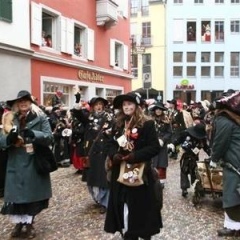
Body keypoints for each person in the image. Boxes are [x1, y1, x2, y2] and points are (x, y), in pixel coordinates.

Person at [104, 92, 163, 240]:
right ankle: (127, 232)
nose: (127, 107)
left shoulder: (147, 124)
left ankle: (141, 232)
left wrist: (135, 156)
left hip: (140, 171)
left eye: (130, 104)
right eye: (124, 105)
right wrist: (114, 155)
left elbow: (154, 147)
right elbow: (110, 143)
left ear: (136, 106)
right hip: (120, 172)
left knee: (139, 207)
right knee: (122, 204)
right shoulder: (117, 124)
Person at [0, 90, 53, 239]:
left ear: (31, 103)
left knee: (31, 195)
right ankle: (19, 224)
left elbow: (49, 137)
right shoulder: (9, 119)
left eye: (26, 100)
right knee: (16, 196)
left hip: (33, 161)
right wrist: (9, 139)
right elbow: (1, 141)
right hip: (15, 162)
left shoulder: (41, 118)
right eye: (20, 101)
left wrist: (34, 135)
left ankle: (29, 224)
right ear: (17, 104)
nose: (23, 103)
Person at [210, 91, 240, 237]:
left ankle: (234, 228)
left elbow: (220, 142)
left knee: (232, 196)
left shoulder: (224, 119)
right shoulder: (233, 118)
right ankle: (233, 226)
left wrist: (214, 158)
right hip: (236, 160)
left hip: (234, 163)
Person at [151, 103, 172, 188]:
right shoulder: (151, 120)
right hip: (153, 144)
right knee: (153, 162)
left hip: (162, 145)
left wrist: (163, 140)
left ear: (162, 111)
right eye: (157, 109)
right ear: (155, 110)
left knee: (162, 163)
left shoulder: (166, 120)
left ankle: (161, 180)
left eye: (160, 109)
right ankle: (153, 179)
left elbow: (169, 132)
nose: (158, 111)